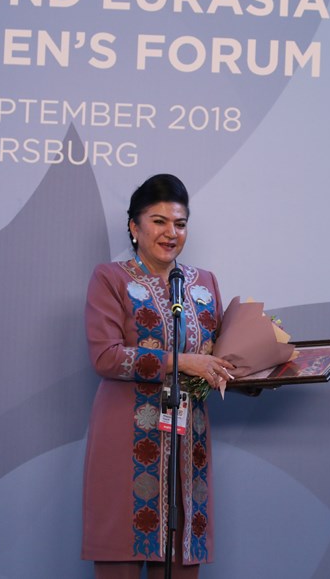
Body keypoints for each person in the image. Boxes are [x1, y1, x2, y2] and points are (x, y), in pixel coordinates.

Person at [82, 173, 236, 579]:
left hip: (189, 443)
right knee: (121, 552)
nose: (171, 233)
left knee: (182, 560)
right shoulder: (110, 279)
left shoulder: (203, 284)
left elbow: (220, 357)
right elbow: (106, 357)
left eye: (180, 224)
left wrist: (265, 365)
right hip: (127, 438)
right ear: (134, 227)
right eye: (159, 221)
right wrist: (183, 362)